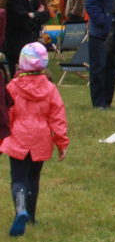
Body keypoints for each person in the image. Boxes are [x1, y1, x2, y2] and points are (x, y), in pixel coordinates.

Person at [0, 43, 68, 236]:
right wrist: (61, 142)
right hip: (41, 138)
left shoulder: (13, 86)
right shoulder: (50, 88)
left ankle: (20, 209)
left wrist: (2, 138)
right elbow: (57, 117)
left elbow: (7, 114)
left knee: (18, 178)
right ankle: (30, 216)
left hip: (18, 138)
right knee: (33, 177)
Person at [1, 0, 51, 77]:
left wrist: (32, 15)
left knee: (38, 79)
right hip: (17, 46)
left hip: (35, 44)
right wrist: (36, 14)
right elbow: (22, 21)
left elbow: (46, 14)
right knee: (20, 80)